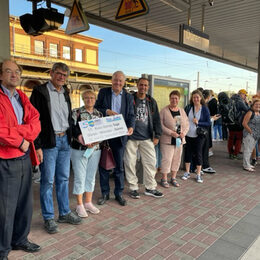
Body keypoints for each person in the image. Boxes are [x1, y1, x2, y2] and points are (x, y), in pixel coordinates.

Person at [30, 62, 81, 234]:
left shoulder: (65, 92)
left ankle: (64, 213)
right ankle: (49, 217)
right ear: (51, 73)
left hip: (65, 140)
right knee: (48, 180)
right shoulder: (40, 92)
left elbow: (68, 118)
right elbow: (33, 120)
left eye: (64, 75)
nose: (61, 77)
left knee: (64, 179)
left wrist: (76, 134)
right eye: (58, 73)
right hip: (48, 143)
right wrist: (37, 145)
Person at [0, 59, 41, 259]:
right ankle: (2, 249)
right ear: (0, 75)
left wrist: (20, 135)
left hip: (25, 155)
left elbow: (36, 121)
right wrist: (20, 140)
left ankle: (20, 239)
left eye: (17, 71)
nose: (14, 75)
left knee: (25, 203)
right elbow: (1, 130)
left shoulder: (21, 97)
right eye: (8, 71)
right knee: (6, 207)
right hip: (6, 158)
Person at [95, 71, 135, 206]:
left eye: (120, 81)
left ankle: (118, 193)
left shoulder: (128, 97)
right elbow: (96, 108)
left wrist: (131, 127)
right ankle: (105, 193)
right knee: (104, 166)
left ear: (124, 83)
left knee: (119, 167)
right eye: (115, 80)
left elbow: (131, 114)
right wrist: (107, 111)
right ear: (111, 80)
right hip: (105, 135)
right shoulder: (103, 92)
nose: (117, 83)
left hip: (120, 135)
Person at [124, 77, 164, 199]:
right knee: (130, 163)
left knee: (151, 162)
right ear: (137, 85)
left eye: (145, 85)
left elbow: (156, 119)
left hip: (146, 137)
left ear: (148, 87)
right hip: (131, 137)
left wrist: (157, 135)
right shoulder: (130, 99)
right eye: (141, 85)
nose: (143, 87)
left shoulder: (151, 101)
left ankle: (150, 187)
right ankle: (133, 188)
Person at [71, 90, 102, 217]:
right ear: (83, 99)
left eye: (92, 98)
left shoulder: (99, 114)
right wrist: (82, 139)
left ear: (95, 99)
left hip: (95, 150)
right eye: (87, 98)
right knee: (80, 177)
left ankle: (88, 202)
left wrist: (97, 140)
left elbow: (103, 130)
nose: (89, 100)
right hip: (79, 149)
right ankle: (79, 205)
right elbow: (72, 129)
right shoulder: (76, 112)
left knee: (91, 177)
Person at [159, 90, 189, 188]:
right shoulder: (164, 111)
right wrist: (171, 133)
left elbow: (187, 124)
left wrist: (184, 133)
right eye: (172, 98)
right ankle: (164, 178)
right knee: (167, 159)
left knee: (176, 159)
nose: (174, 100)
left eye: (176, 98)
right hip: (167, 140)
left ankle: (173, 178)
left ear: (179, 99)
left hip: (179, 140)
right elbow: (161, 125)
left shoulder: (182, 111)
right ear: (169, 99)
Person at [182, 90, 211, 183]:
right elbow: (184, 119)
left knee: (198, 153)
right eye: (194, 97)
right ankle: (187, 172)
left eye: (197, 97)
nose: (195, 99)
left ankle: (198, 174)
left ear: (201, 98)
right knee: (188, 153)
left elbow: (208, 122)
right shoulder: (189, 107)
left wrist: (199, 122)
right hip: (188, 134)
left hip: (199, 135)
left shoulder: (205, 109)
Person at [228, 89, 249, 159]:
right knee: (238, 139)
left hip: (230, 122)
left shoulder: (230, 100)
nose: (245, 96)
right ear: (241, 94)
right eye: (245, 95)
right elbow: (248, 110)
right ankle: (235, 154)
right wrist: (246, 103)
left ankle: (230, 153)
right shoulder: (240, 102)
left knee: (231, 138)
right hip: (238, 123)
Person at [242, 99, 260, 172]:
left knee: (250, 150)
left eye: (259, 105)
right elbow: (244, 123)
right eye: (256, 104)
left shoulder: (258, 113)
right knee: (248, 150)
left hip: (256, 135)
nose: (258, 106)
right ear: (252, 105)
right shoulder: (250, 112)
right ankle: (246, 165)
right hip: (249, 134)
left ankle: (248, 163)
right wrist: (251, 131)